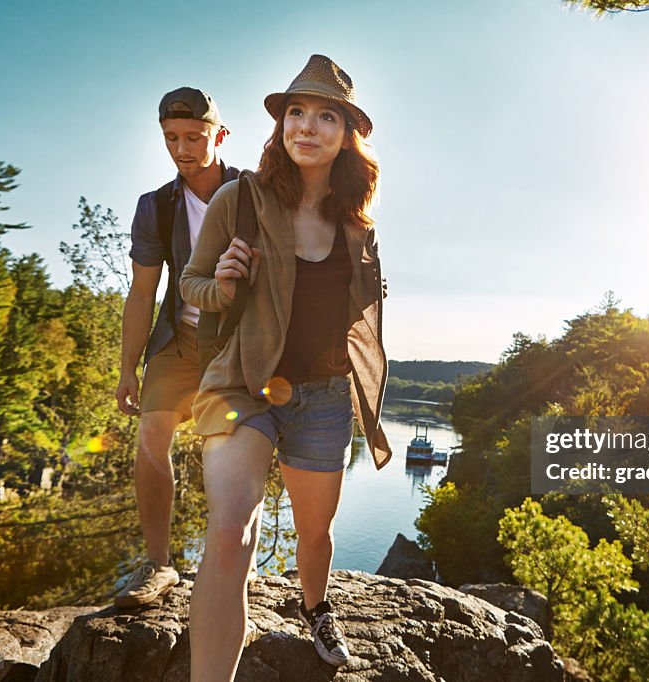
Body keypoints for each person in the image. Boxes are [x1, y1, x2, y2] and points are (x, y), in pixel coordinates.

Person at [180, 54, 391, 678]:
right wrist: (220, 284)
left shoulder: (356, 226)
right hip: (242, 388)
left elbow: (365, 317)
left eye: (326, 116)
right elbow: (191, 283)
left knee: (315, 531)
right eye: (296, 112)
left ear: (346, 134)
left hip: (324, 398)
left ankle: (317, 606)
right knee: (230, 532)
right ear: (280, 126)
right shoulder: (238, 199)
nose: (307, 126)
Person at [113, 87, 248, 608]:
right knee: (151, 435)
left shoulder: (254, 193)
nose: (183, 149)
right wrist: (128, 367)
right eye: (172, 138)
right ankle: (159, 565)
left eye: (194, 137)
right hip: (178, 337)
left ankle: (234, 566)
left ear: (220, 134)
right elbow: (142, 292)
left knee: (234, 451)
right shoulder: (157, 208)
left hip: (238, 341)